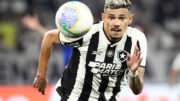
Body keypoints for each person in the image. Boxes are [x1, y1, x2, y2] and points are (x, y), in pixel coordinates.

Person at [33, 0, 147, 100]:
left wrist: (133, 72)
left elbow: (137, 90)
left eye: (122, 18)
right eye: (111, 17)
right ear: (103, 17)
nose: (116, 23)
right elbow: (49, 37)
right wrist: (41, 76)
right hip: (74, 97)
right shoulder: (87, 33)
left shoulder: (137, 40)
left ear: (130, 19)